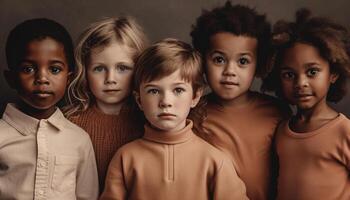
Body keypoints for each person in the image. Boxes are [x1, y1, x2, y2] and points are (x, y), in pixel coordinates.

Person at [100, 38, 248, 200]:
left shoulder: (215, 161)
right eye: (154, 91)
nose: (166, 102)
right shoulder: (125, 158)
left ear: (195, 96)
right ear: (139, 100)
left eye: (178, 90)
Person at [190, 2, 291, 199]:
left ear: (259, 64)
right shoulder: (193, 113)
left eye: (242, 61)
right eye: (219, 59)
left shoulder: (277, 111)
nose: (229, 71)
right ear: (203, 61)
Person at [0, 18, 98, 199]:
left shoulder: (79, 140)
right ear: (11, 78)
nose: (42, 79)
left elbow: (87, 196)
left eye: (54, 69)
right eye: (28, 69)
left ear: (69, 78)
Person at [262, 9, 350, 200]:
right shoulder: (282, 130)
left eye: (312, 72)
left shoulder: (344, 131)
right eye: (289, 75)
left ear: (333, 74)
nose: (300, 83)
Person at [64, 17, 147, 192]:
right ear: (85, 72)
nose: (110, 79)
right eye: (99, 68)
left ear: (139, 69)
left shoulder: (148, 123)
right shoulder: (69, 123)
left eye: (122, 68)